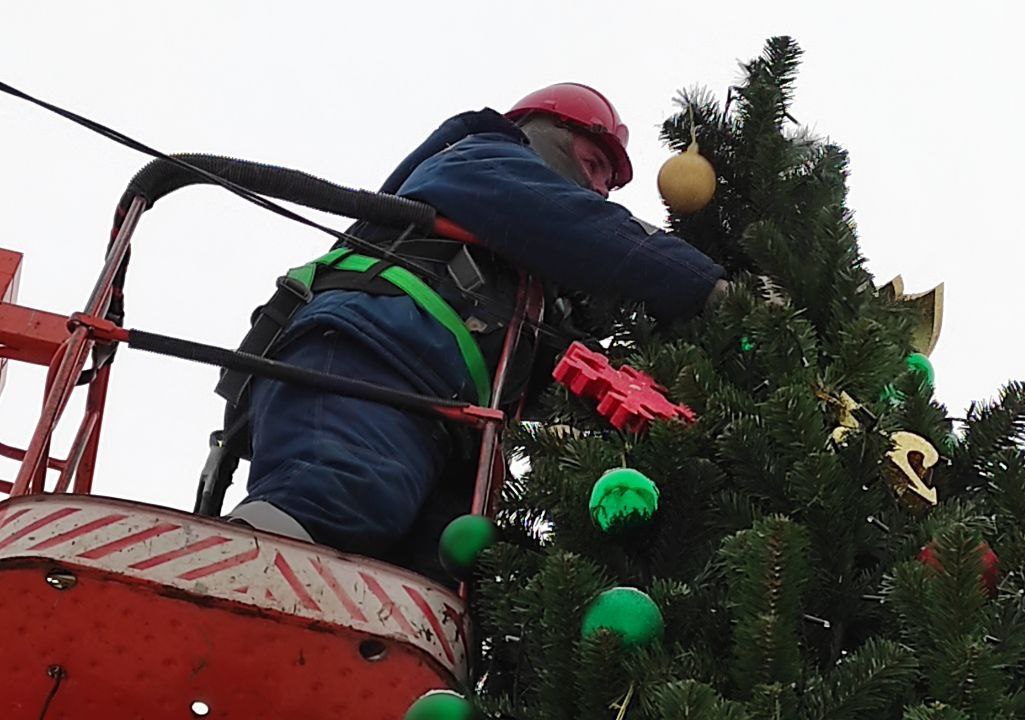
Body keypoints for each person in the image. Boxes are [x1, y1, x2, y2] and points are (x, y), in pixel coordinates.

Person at [223, 83, 726, 575]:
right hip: (367, 356)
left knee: (422, 581)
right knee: (337, 495)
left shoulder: (524, 285)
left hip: (445, 423)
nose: (597, 188)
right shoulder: (481, 159)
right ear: (542, 135)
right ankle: (226, 586)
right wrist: (713, 289)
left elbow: (572, 371)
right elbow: (582, 225)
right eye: (592, 165)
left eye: (606, 184)